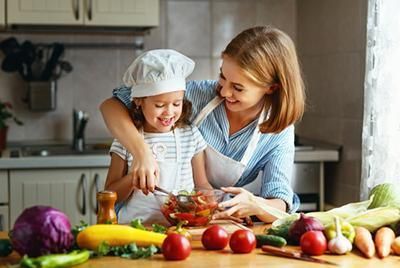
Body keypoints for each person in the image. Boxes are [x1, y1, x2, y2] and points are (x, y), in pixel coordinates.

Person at [101, 26, 305, 223]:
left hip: (209, 222)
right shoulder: (197, 95)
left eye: (238, 88)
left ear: (271, 88)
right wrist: (141, 153)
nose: (224, 92)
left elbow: (280, 201)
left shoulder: (279, 131)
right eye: (222, 77)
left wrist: (255, 205)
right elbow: (112, 105)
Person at [104, 49, 212, 224]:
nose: (169, 112)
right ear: (139, 101)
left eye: (177, 104)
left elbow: (202, 185)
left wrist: (210, 201)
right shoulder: (126, 140)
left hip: (179, 230)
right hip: (134, 229)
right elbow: (110, 195)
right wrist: (133, 178)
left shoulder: (190, 135)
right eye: (160, 105)